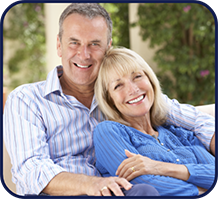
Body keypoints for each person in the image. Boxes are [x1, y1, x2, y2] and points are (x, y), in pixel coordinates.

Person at [3, 3, 215, 196]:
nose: (84, 54)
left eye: (94, 44)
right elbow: (31, 170)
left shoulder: (123, 97)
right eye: (74, 42)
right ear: (59, 45)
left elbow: (198, 121)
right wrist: (92, 184)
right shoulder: (27, 99)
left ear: (108, 48)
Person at [93, 47, 215, 196]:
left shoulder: (179, 132)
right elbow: (144, 184)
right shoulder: (108, 132)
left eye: (137, 76)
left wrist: (158, 167)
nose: (133, 89)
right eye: (118, 85)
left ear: (150, 80)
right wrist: (201, 190)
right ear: (110, 100)